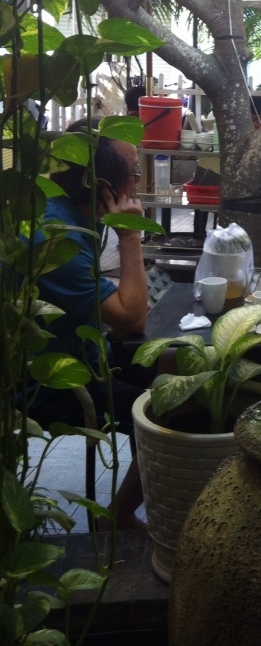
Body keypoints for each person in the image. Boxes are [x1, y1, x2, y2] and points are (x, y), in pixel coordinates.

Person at [32, 126, 167, 530]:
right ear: (104, 185)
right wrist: (130, 235)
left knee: (183, 364)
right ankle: (117, 520)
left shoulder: (70, 214)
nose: (138, 183)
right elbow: (132, 317)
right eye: (134, 174)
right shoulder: (57, 238)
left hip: (92, 356)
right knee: (169, 416)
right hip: (53, 383)